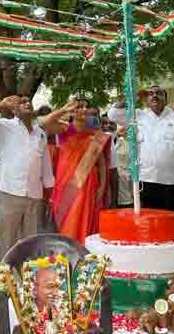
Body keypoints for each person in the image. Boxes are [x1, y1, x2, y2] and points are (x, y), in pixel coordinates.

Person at [0, 96, 55, 259]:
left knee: (31, 243)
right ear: (14, 110)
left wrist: (49, 194)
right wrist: (1, 105)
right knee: (8, 242)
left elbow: (45, 166)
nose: (27, 103)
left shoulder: (40, 133)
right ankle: (5, 274)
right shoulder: (4, 126)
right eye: (21, 102)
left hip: (34, 196)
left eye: (28, 101)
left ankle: (27, 274)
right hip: (10, 194)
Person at [108, 86, 174, 213]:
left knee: (170, 217)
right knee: (148, 217)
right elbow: (113, 114)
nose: (154, 96)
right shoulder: (137, 116)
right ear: (146, 99)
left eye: (159, 93)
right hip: (145, 179)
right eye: (150, 94)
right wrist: (134, 97)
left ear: (165, 99)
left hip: (171, 180)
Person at [51, 103, 110, 243]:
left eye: (85, 107)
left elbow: (101, 164)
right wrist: (63, 110)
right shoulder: (64, 129)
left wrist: (102, 187)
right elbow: (43, 123)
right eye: (78, 107)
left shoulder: (95, 134)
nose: (83, 110)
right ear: (72, 111)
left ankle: (84, 250)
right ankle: (69, 250)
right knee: (68, 220)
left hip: (89, 186)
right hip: (66, 185)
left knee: (85, 220)